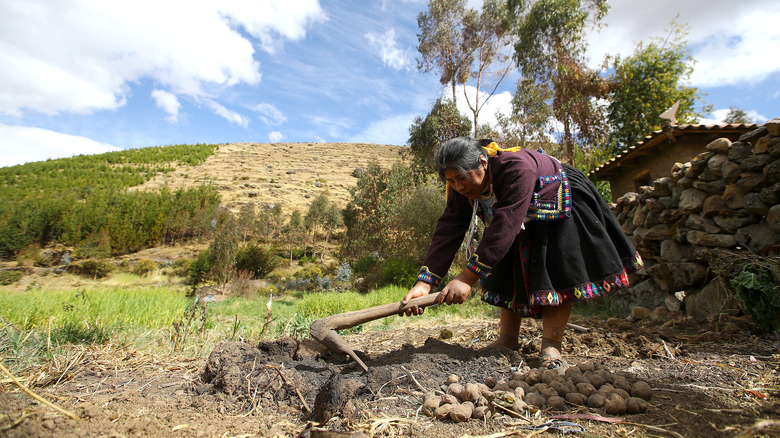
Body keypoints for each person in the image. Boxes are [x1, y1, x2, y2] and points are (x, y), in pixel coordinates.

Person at [401, 137, 644, 370]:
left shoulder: (516, 168)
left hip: (560, 202)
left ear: (483, 162)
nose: (458, 186)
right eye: (451, 181)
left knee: (553, 269)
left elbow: (506, 222)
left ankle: (551, 346)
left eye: (461, 178)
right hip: (517, 217)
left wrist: (466, 279)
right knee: (504, 267)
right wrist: (425, 282)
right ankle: (507, 339)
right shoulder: (459, 188)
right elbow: (449, 228)